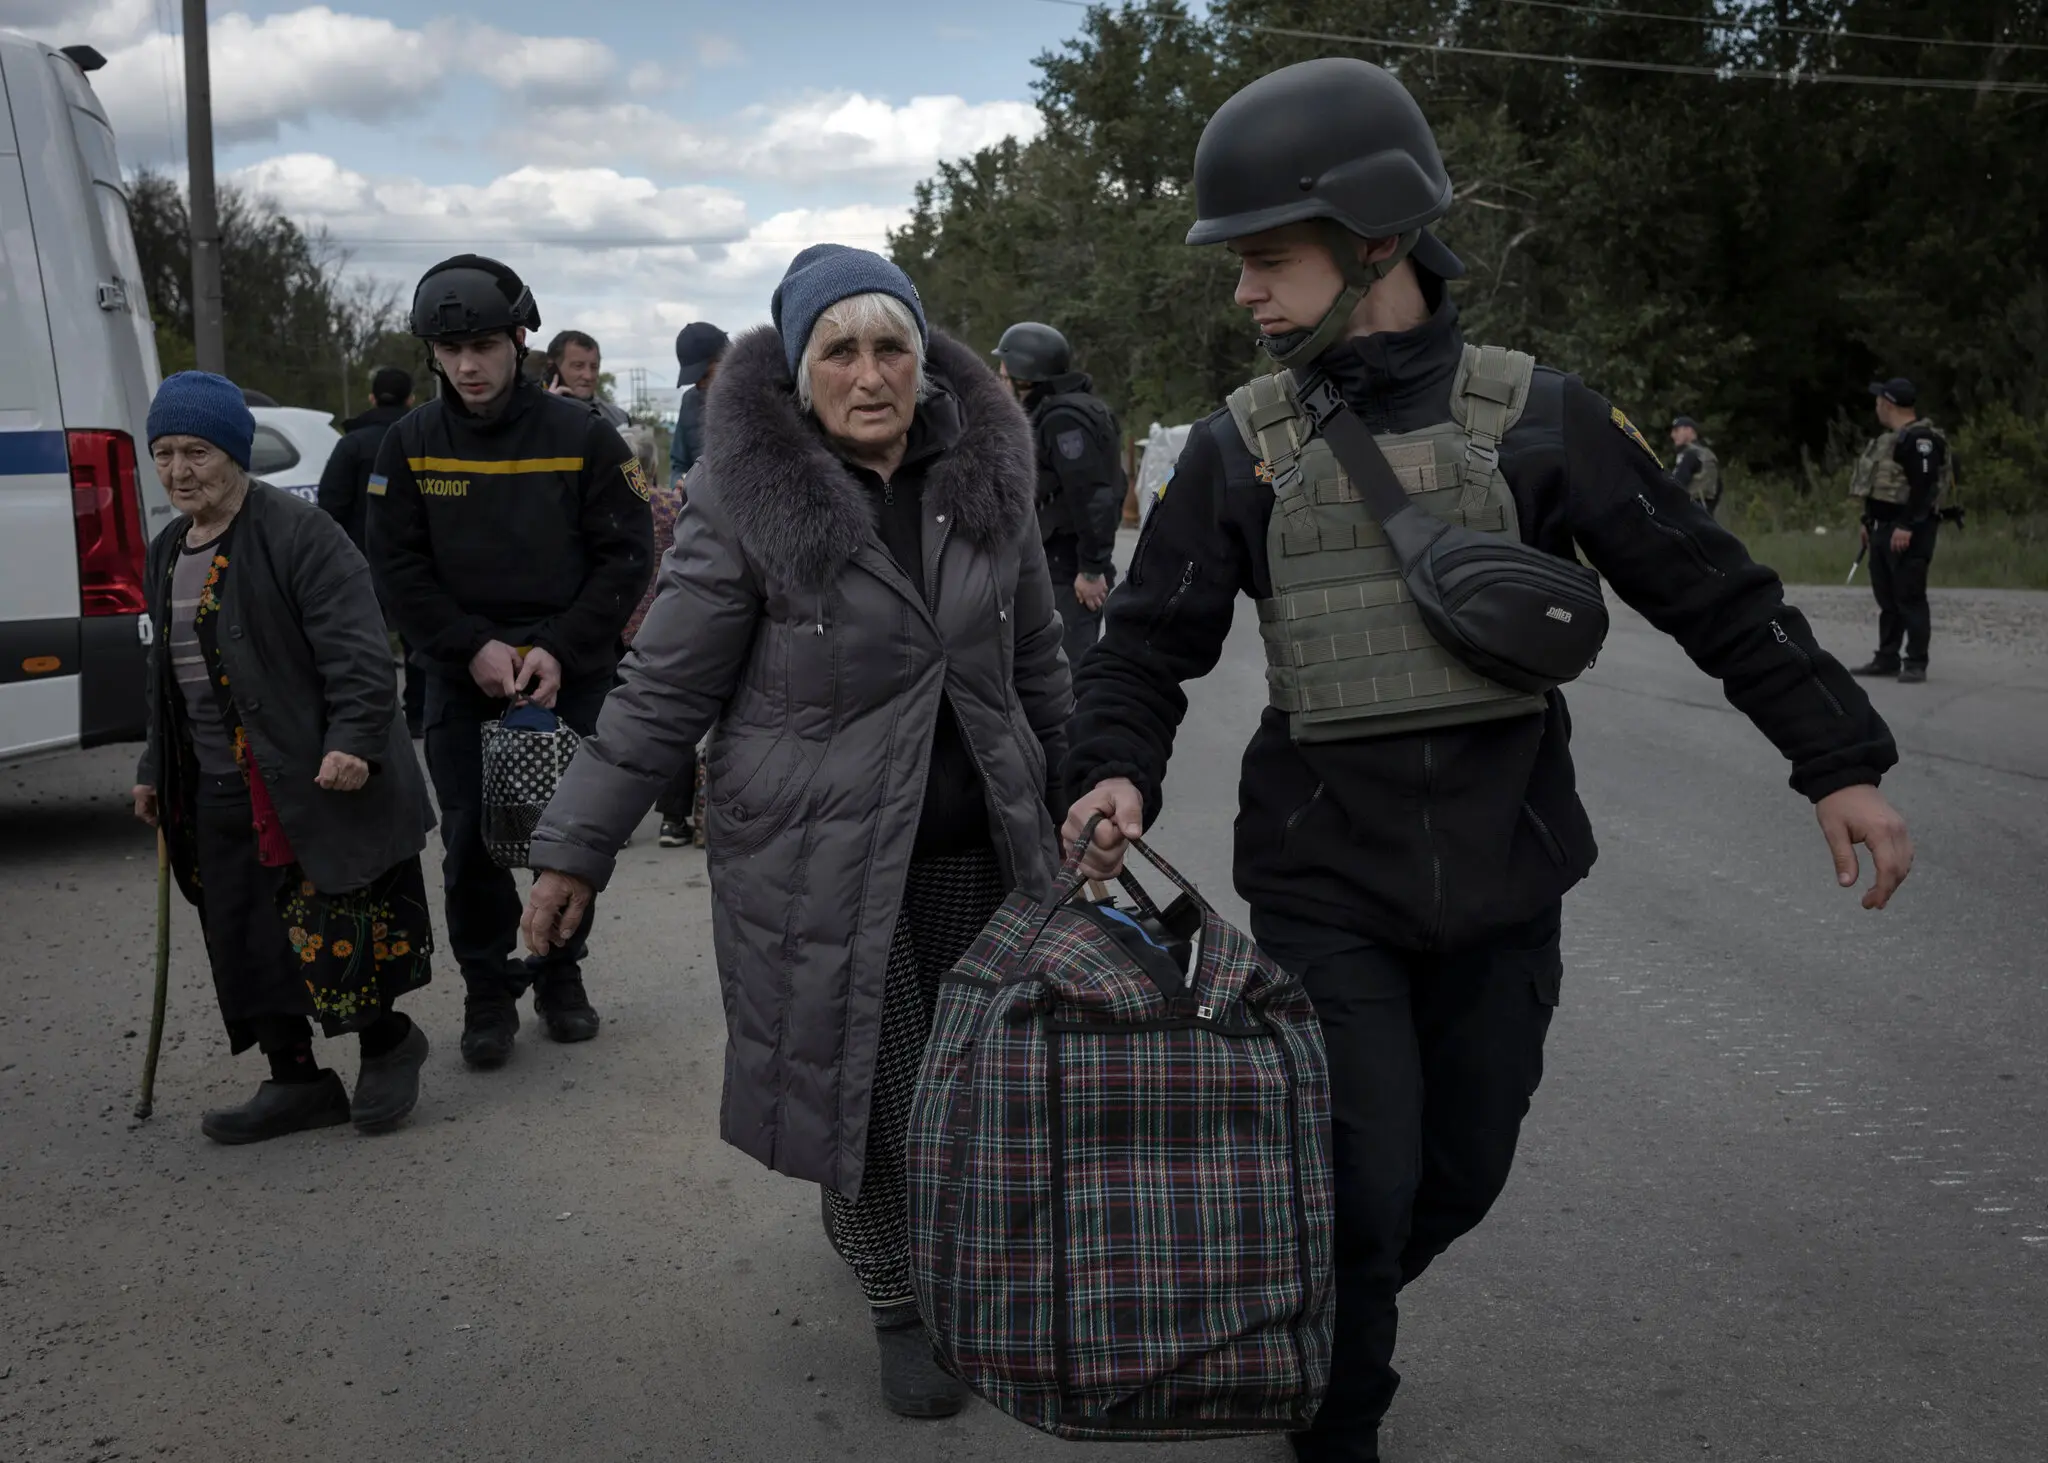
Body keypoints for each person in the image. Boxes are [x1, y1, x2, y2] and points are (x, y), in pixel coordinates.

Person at [1059, 59, 1916, 1463]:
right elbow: (1145, 648)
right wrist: (1114, 770)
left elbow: (1718, 593)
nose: (1242, 294)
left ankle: (1317, 1315)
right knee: (1359, 1174)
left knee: (1458, 1168)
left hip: (1509, 874)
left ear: (1377, 241)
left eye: (1267, 260)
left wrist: (1840, 760)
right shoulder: (1239, 449)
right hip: (1327, 882)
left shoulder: (1540, 418)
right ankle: (1336, 1415)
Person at [519, 245, 1070, 1420]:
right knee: (865, 1083)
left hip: (978, 842)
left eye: (891, 349)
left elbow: (1036, 663)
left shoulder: (986, 479)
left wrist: (1079, 791)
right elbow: (662, 689)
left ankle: (963, 1263)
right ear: (798, 368)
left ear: (923, 363)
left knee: (972, 1083)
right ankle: (895, 1297)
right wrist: (576, 847)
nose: (868, 375)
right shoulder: (742, 497)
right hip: (814, 855)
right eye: (840, 350)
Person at [131, 371, 437, 1143]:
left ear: (234, 451)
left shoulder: (298, 533)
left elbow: (360, 650)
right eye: (163, 454)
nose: (178, 471)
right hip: (213, 779)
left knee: (339, 923)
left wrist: (354, 741)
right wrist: (151, 768)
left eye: (194, 451)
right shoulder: (166, 550)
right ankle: (295, 1078)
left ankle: (387, 1043)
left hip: (309, 772)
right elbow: (165, 682)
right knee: (244, 933)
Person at [368, 255, 653, 1070]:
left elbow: (628, 553)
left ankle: (559, 972)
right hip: (463, 676)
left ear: (520, 340)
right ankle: (488, 991)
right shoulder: (410, 444)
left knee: (567, 838)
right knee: (470, 844)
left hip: (571, 669)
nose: (467, 365)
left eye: (485, 345)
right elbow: (396, 569)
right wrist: (471, 647)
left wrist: (560, 647)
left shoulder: (584, 436)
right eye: (449, 349)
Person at [992, 320, 1125, 672]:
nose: (998, 380)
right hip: (1060, 564)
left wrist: (1092, 570)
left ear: (1025, 375)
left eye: (1003, 374)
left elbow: (1093, 496)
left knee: (1063, 672)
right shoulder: (1065, 410)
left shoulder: (1063, 421)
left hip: (1068, 568)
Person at [319, 365, 426, 736]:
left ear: (371, 397)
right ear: (411, 398)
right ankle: (420, 713)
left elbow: (330, 502)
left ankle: (375, 715)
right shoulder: (423, 437)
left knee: (365, 638)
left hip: (359, 558)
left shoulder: (352, 444)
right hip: (420, 558)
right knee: (420, 635)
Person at [1849, 377, 1951, 685]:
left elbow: (1924, 488)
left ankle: (1916, 661)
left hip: (1909, 529)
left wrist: (1907, 525)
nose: (1876, 406)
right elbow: (1879, 488)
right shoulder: (1891, 439)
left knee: (1910, 596)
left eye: (1879, 401)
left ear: (1888, 404)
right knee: (1888, 598)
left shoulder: (1921, 440)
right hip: (1882, 528)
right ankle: (1887, 657)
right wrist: (1868, 522)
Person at [670, 321, 729, 488]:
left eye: (705, 376)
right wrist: (678, 481)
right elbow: (678, 465)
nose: (700, 385)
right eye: (695, 381)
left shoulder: (764, 394)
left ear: (728, 358)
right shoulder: (689, 402)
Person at [544, 328, 633, 429]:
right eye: (578, 366)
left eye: (594, 367)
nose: (588, 376)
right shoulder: (532, 416)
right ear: (553, 369)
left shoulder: (619, 420)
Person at [1669, 414, 1722, 518]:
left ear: (1689, 430)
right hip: (1706, 512)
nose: (1672, 435)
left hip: (1689, 513)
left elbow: (1677, 484)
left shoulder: (1690, 455)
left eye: (1677, 431)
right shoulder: (1707, 454)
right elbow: (1718, 487)